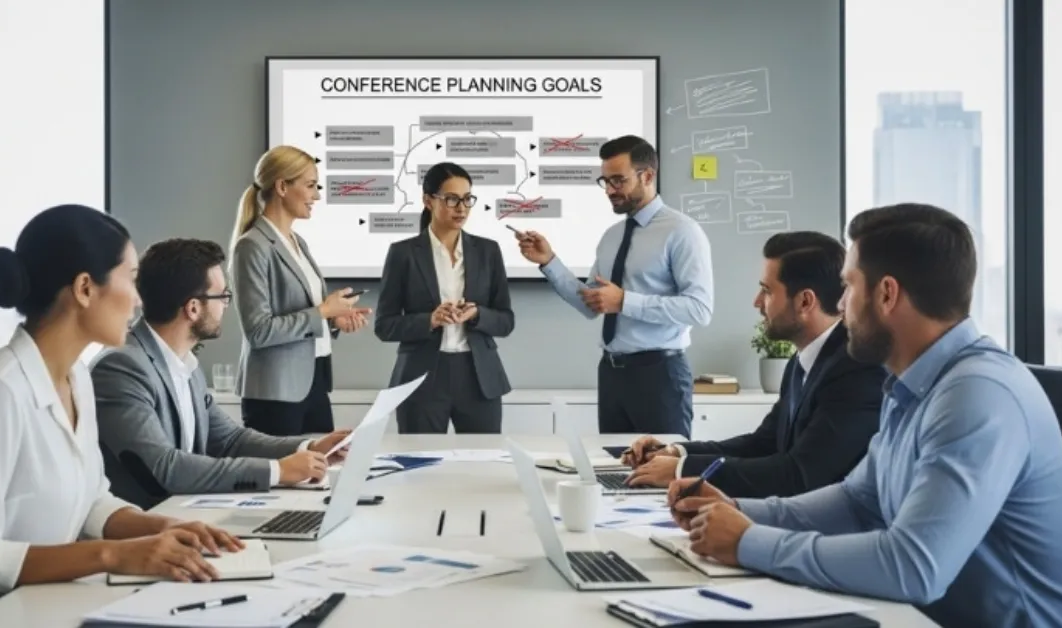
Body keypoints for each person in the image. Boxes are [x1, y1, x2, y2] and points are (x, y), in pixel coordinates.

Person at [672, 204, 1062, 627]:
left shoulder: (977, 395)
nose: (842, 305)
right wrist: (738, 509)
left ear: (887, 294)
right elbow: (857, 502)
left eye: (849, 287)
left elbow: (913, 567)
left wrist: (749, 542)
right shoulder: (911, 382)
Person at [0, 205, 243, 627]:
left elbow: (91, 502)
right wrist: (114, 554)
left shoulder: (75, 378)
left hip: (37, 604)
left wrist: (165, 527)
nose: (138, 299)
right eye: (130, 280)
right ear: (84, 288)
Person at [92, 238, 354, 510]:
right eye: (223, 296)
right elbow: (165, 467)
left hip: (186, 516)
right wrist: (277, 471)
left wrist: (310, 448)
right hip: (142, 531)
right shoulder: (122, 367)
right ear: (193, 308)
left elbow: (230, 440)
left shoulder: (185, 364)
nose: (227, 305)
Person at [622, 232, 884, 496]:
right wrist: (677, 451)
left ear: (805, 301)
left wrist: (683, 470)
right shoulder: (802, 361)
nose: (757, 301)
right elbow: (764, 444)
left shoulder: (856, 370)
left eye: (767, 291)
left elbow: (800, 474)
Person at [515, 135, 713, 437]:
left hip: (660, 375)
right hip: (611, 375)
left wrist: (625, 302)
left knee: (662, 473)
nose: (609, 190)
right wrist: (549, 261)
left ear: (647, 176)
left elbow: (699, 310)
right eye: (605, 181)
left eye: (618, 180)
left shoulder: (682, 232)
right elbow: (589, 303)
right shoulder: (611, 236)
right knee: (614, 470)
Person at [230, 145, 372, 437]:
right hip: (275, 394)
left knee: (321, 475)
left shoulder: (297, 243)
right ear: (282, 186)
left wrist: (333, 320)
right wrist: (322, 311)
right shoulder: (252, 246)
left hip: (314, 384)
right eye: (310, 186)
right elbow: (258, 331)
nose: (317, 196)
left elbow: (305, 316)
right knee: (286, 480)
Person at [374, 163, 514, 433]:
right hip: (422, 377)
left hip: (478, 377)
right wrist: (430, 320)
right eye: (451, 199)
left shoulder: (488, 251)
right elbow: (385, 326)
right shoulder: (403, 254)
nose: (461, 208)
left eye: (467, 199)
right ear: (428, 201)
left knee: (482, 465)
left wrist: (477, 314)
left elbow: (506, 321)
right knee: (420, 467)